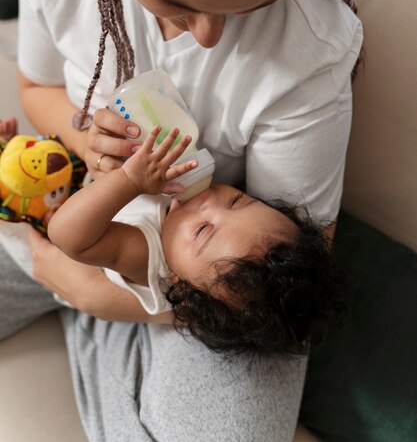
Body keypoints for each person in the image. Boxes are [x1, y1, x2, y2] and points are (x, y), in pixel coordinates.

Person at [0, 0, 374, 442]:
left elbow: (282, 262)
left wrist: (105, 295)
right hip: (69, 203)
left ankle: (90, 323)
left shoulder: (314, 45)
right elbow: (35, 88)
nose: (207, 37)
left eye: (255, 1)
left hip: (202, 284)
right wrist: (84, 140)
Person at [48, 124, 344, 356]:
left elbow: (66, 235)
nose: (209, 200)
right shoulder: (196, 250)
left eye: (203, 230)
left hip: (54, 240)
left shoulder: (148, 255)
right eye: (238, 200)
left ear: (180, 285)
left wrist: (130, 181)